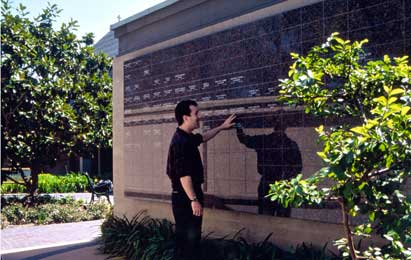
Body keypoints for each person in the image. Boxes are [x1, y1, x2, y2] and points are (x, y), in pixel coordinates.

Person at [166, 100, 236, 260]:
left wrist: (221, 127)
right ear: (185, 117)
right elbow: (184, 176)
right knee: (187, 243)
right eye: (196, 113)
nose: (200, 116)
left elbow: (202, 138)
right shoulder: (180, 142)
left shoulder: (186, 137)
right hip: (186, 198)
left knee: (191, 241)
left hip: (188, 195)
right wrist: (194, 199)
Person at [236, 111, 302, 216]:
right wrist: (288, 178)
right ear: (286, 126)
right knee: (282, 220)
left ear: (273, 125)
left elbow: (243, 138)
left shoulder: (264, 140)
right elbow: (298, 168)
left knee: (266, 219)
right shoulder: (291, 144)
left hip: (268, 184)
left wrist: (237, 124)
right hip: (283, 185)